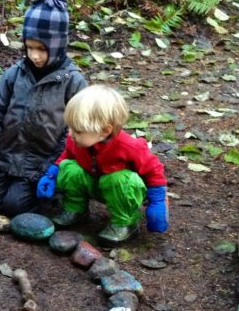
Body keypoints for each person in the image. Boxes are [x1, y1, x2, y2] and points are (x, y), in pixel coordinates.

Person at [0, 0, 87, 216]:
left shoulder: (73, 82)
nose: (34, 55)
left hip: (41, 164)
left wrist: (52, 166)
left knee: (16, 206)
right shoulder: (15, 73)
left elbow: (74, 133)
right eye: (29, 47)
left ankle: (57, 199)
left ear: (58, 45)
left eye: (42, 49)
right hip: (6, 157)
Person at [36, 84, 169, 245]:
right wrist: (52, 174)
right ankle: (75, 208)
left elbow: (153, 170)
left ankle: (125, 222)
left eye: (77, 130)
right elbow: (67, 154)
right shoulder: (78, 141)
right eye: (69, 127)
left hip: (119, 191)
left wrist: (158, 201)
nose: (70, 134)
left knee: (119, 180)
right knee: (70, 168)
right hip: (93, 182)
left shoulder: (130, 146)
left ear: (105, 131)